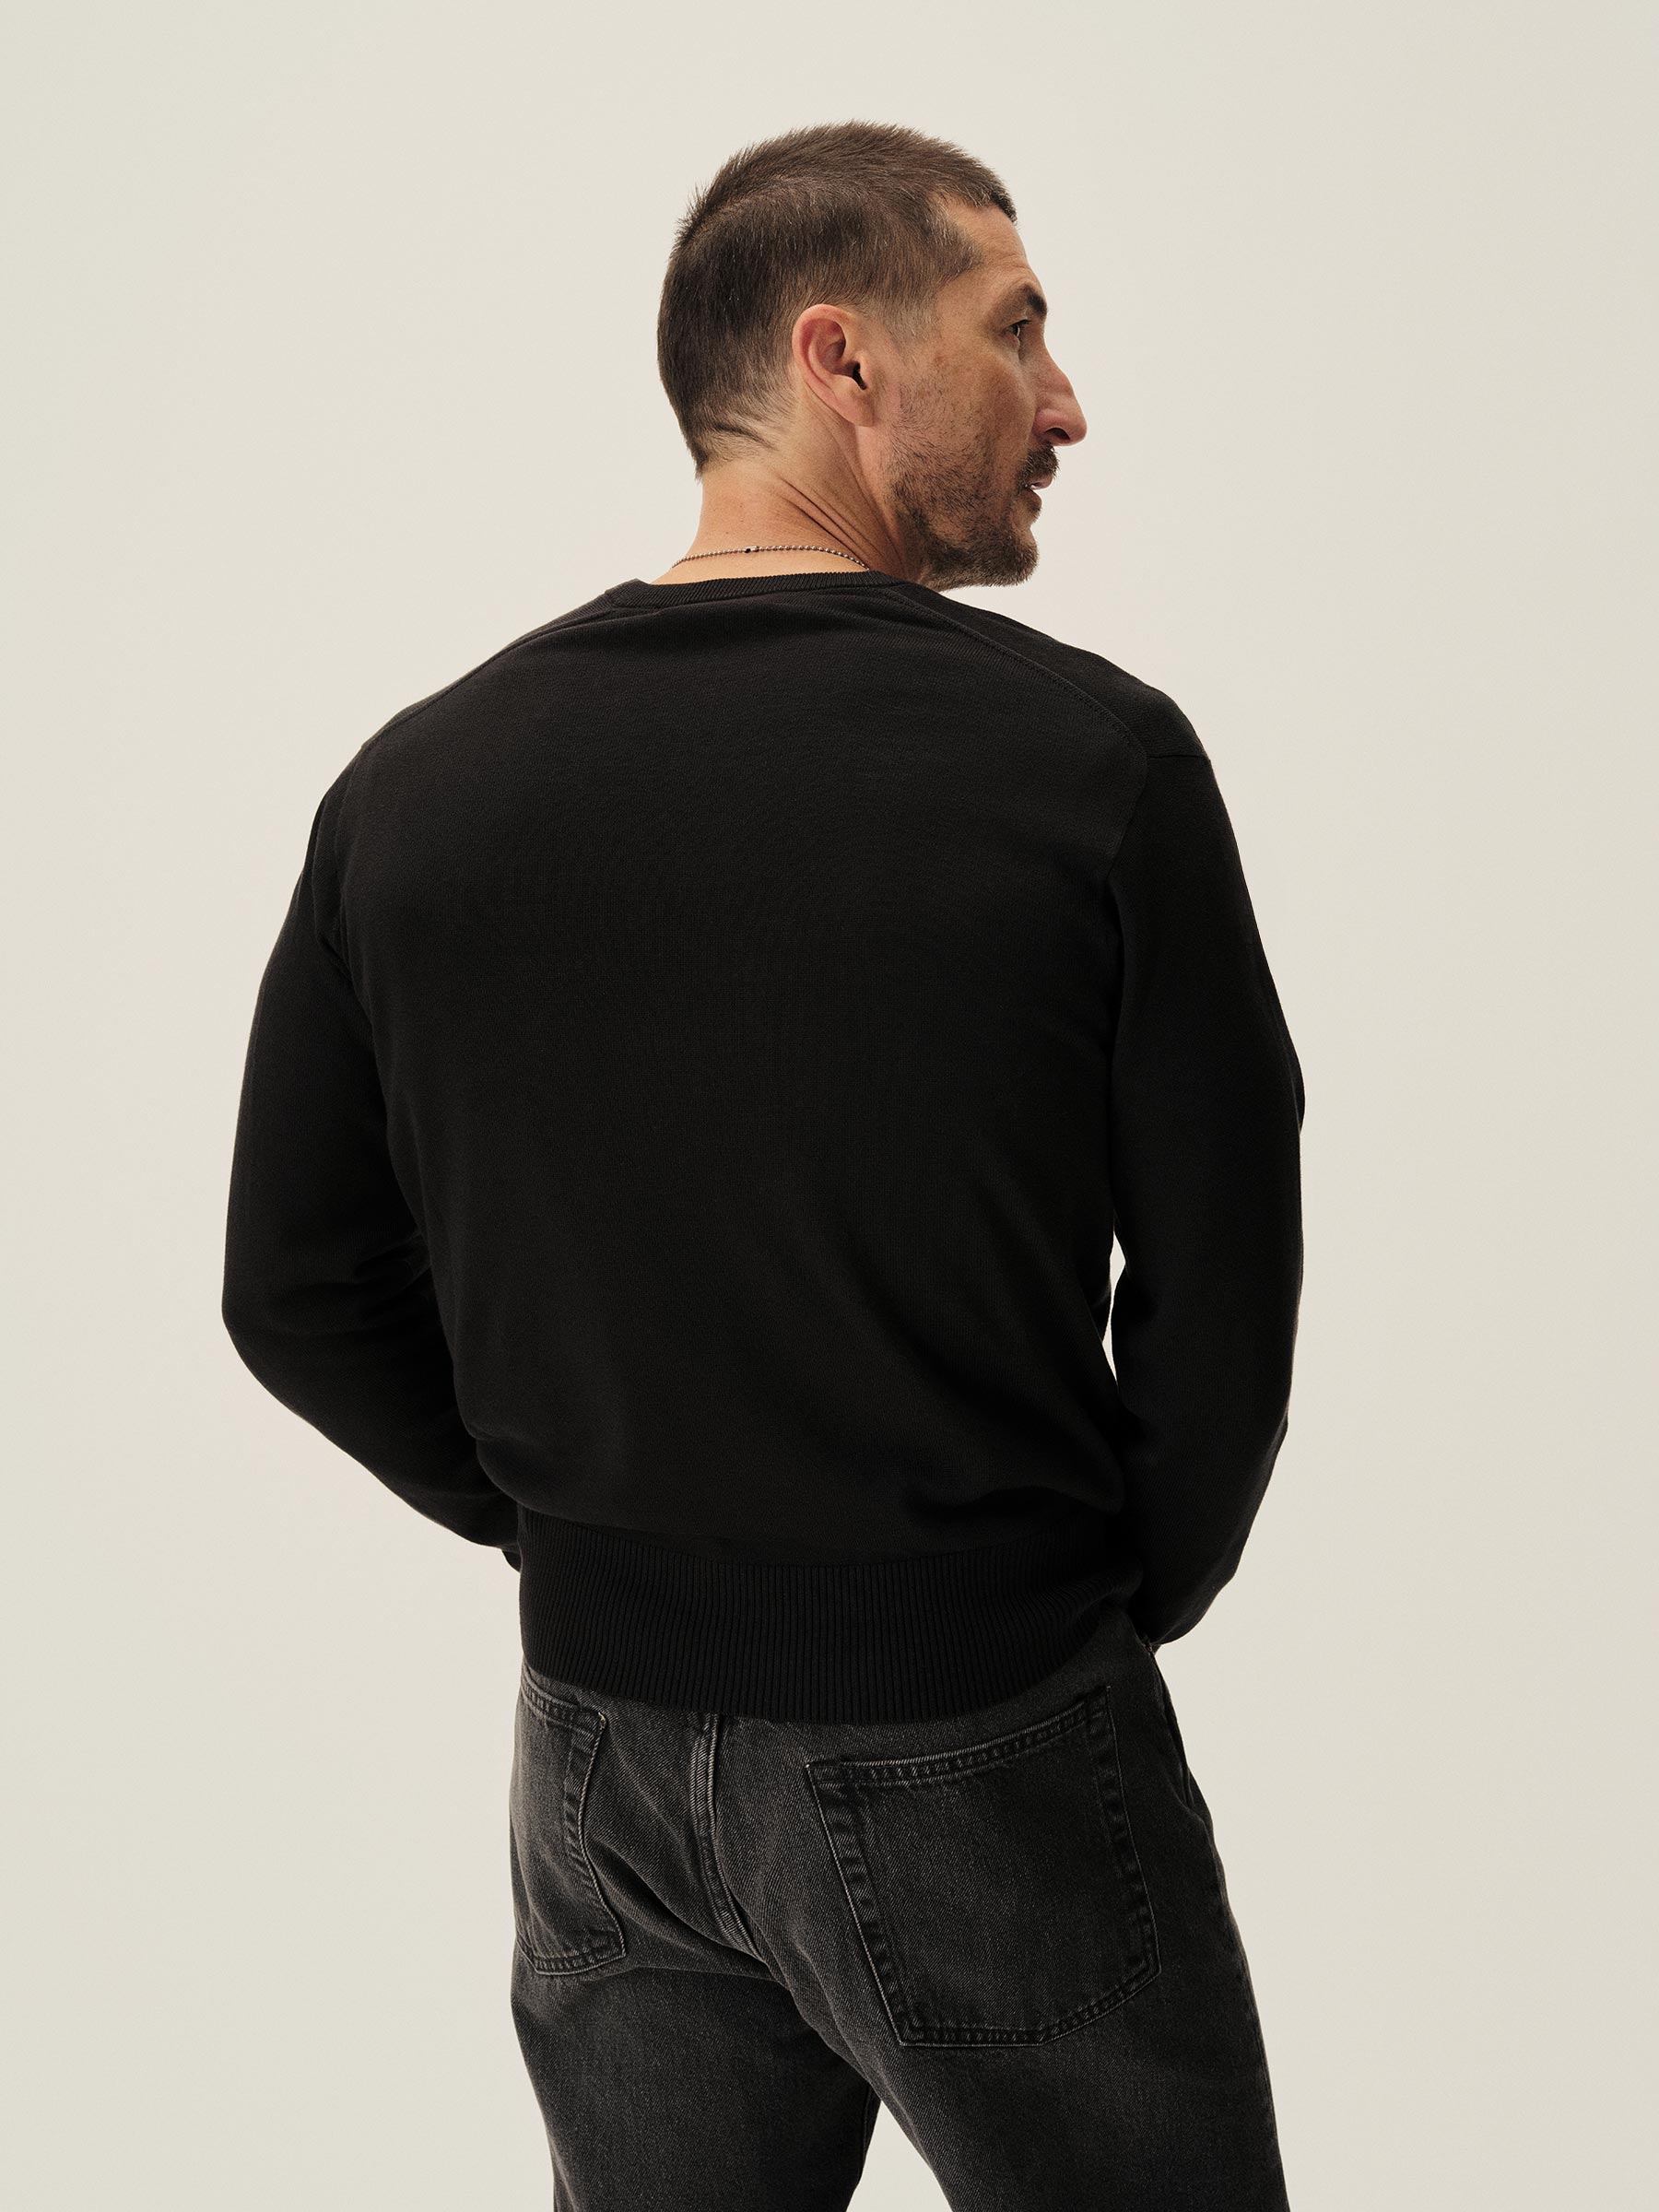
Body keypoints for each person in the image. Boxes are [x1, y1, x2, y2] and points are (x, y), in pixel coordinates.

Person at [222, 118, 1305, 2210]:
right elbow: (1223, 1286)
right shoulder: (1092, 764)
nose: (1066, 402)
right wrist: (1081, 1603)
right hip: (982, 1713)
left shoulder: (417, 789)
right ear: (842, 357)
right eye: (1016, 330)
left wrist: (578, 1528)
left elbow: (294, 1291)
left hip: (601, 1754)